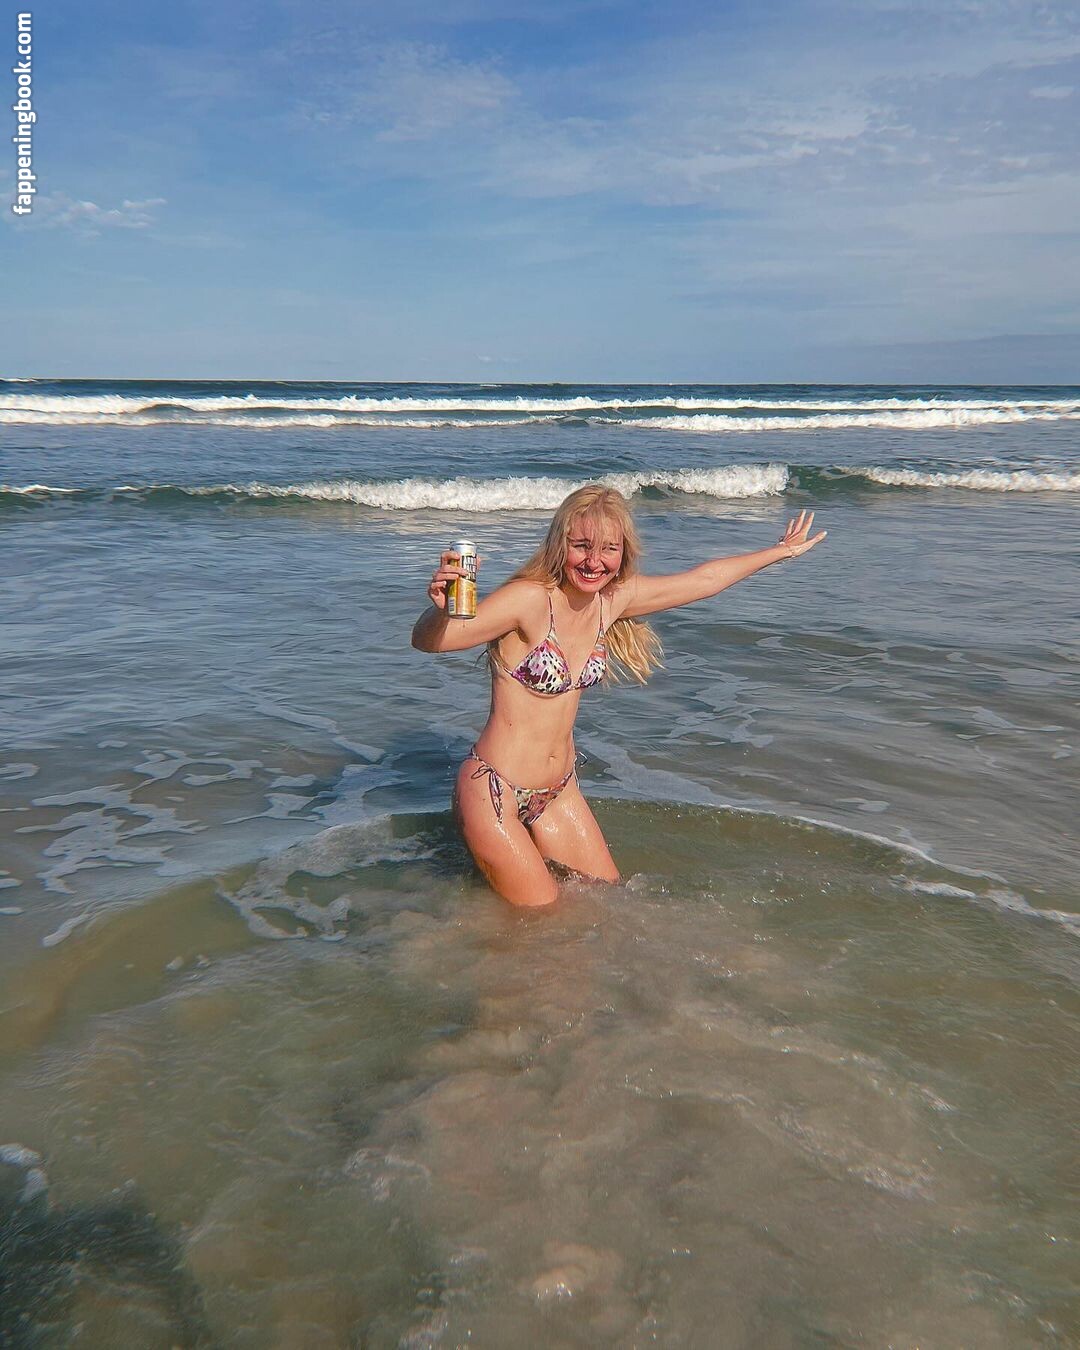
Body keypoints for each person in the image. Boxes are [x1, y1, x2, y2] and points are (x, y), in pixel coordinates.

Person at [411, 485, 825, 908]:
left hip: (558, 792)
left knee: (607, 902)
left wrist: (779, 552)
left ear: (623, 551)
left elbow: (705, 580)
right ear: (559, 545)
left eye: (608, 549)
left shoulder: (612, 601)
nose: (594, 562)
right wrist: (440, 611)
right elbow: (431, 642)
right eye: (581, 546)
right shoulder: (529, 600)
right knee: (541, 918)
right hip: (494, 791)